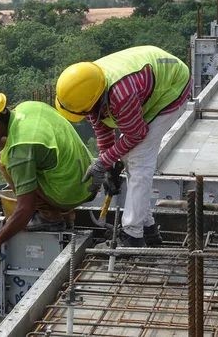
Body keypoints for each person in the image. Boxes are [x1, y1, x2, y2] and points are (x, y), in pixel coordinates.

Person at [55, 46, 192, 248]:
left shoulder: (120, 95)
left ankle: (132, 237)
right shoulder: (90, 86)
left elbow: (137, 134)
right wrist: (109, 167)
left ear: (95, 99)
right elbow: (100, 125)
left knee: (138, 160)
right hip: (147, 82)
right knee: (129, 159)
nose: (85, 115)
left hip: (172, 85)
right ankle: (148, 229)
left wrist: (102, 162)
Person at [0, 89, 95, 256]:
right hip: (87, 177)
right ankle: (66, 216)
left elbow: (26, 209)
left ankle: (49, 217)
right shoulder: (27, 108)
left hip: (71, 193)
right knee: (10, 156)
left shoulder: (19, 152)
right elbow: (23, 143)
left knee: (3, 160)